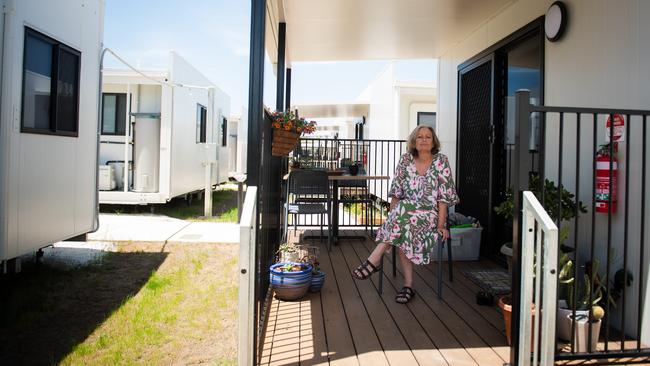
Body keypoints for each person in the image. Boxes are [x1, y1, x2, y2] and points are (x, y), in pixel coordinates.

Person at [351, 125, 459, 304]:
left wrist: (441, 226)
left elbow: (444, 198)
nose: (423, 140)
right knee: (403, 219)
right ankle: (407, 286)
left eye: (428, 137)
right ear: (414, 141)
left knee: (404, 213)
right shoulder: (405, 160)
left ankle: (374, 261)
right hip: (405, 216)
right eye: (419, 137)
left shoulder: (441, 161)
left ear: (433, 142)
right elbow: (396, 193)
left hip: (429, 215)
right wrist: (391, 221)